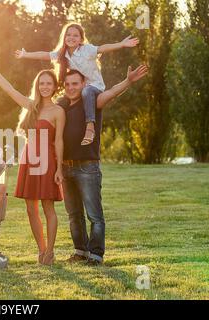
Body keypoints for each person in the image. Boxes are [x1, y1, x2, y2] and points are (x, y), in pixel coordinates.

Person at [58, 65, 148, 265]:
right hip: (66, 167)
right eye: (67, 84)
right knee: (74, 215)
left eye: (75, 84)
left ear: (83, 84)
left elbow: (112, 92)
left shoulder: (91, 101)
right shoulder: (62, 106)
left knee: (94, 215)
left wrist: (128, 81)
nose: (71, 87)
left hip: (87, 167)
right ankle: (80, 251)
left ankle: (96, 255)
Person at [0, 52, 65, 266]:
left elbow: (58, 142)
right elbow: (10, 90)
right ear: (37, 86)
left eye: (49, 83)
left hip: (48, 163)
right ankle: (41, 249)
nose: (45, 87)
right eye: (42, 83)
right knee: (31, 209)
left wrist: (59, 169)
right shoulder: (31, 107)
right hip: (29, 160)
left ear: (55, 87)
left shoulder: (58, 111)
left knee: (48, 208)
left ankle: (50, 252)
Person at [15, 23, 139, 146]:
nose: (71, 38)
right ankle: (48, 135)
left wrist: (122, 44)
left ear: (81, 39)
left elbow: (103, 48)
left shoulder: (87, 50)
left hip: (94, 87)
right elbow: (45, 55)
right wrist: (25, 54)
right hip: (78, 88)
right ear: (64, 38)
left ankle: (90, 126)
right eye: (68, 35)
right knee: (59, 103)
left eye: (75, 35)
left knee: (87, 91)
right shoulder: (63, 54)